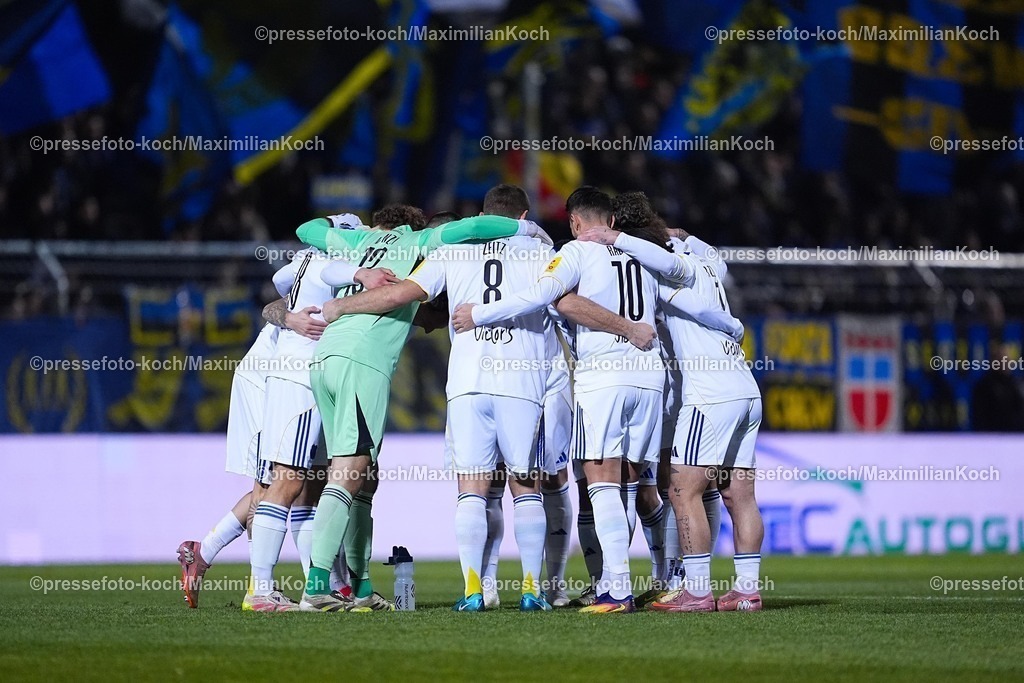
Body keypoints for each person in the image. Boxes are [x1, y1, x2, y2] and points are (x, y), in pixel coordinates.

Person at [293, 205, 555, 612]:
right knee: (349, 471)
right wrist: (528, 228)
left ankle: (360, 588)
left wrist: (355, 265)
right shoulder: (420, 241)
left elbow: (305, 228)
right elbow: (473, 225)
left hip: (324, 356)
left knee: (363, 476)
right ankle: (317, 586)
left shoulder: (358, 240)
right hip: (363, 360)